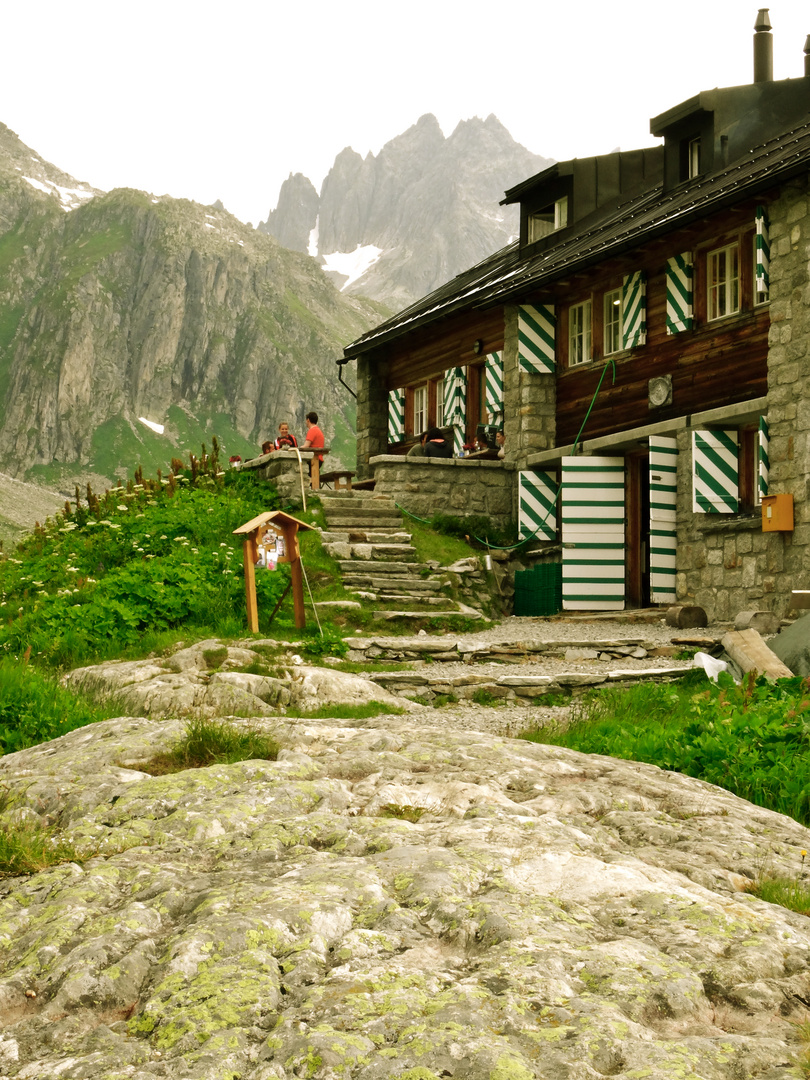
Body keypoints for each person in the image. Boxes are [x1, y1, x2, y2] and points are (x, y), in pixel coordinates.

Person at [301, 411, 325, 478]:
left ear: (308, 420)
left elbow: (306, 446)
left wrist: (298, 448)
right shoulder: (318, 430)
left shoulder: (312, 430)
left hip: (314, 459)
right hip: (319, 458)